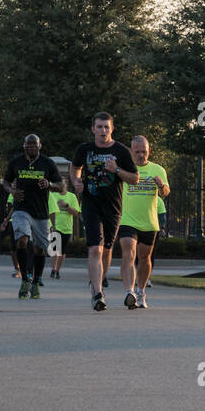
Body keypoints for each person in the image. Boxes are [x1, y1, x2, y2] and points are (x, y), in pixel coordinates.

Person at [71, 112, 139, 310]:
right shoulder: (85, 149)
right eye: (99, 127)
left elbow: (134, 179)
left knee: (107, 250)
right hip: (91, 204)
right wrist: (76, 181)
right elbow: (75, 167)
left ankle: (98, 282)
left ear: (112, 129)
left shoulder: (121, 151)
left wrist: (116, 170)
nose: (102, 131)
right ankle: (98, 293)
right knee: (95, 248)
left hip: (113, 207)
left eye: (106, 127)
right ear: (93, 129)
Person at [3, 134, 65, 299]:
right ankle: (25, 279)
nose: (31, 147)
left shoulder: (47, 163)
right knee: (22, 240)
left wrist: (49, 184)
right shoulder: (16, 162)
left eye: (34, 145)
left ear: (39, 146)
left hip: (40, 212)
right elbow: (6, 182)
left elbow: (61, 185)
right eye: (28, 145)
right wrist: (12, 191)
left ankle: (36, 281)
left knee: (39, 248)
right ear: (24, 146)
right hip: (21, 209)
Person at [116, 135, 169, 309]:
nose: (141, 155)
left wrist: (161, 185)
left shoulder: (158, 169)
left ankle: (140, 291)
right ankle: (128, 291)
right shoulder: (124, 169)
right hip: (127, 219)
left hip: (149, 221)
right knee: (129, 252)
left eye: (144, 152)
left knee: (145, 258)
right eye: (137, 152)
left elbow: (166, 193)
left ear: (149, 151)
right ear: (131, 152)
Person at [48, 185, 79, 279]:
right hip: (54, 226)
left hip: (67, 227)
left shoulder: (72, 196)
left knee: (62, 251)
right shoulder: (52, 195)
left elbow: (76, 212)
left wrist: (66, 205)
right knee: (54, 249)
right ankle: (53, 270)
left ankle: (57, 270)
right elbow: (49, 210)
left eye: (62, 182)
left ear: (65, 185)